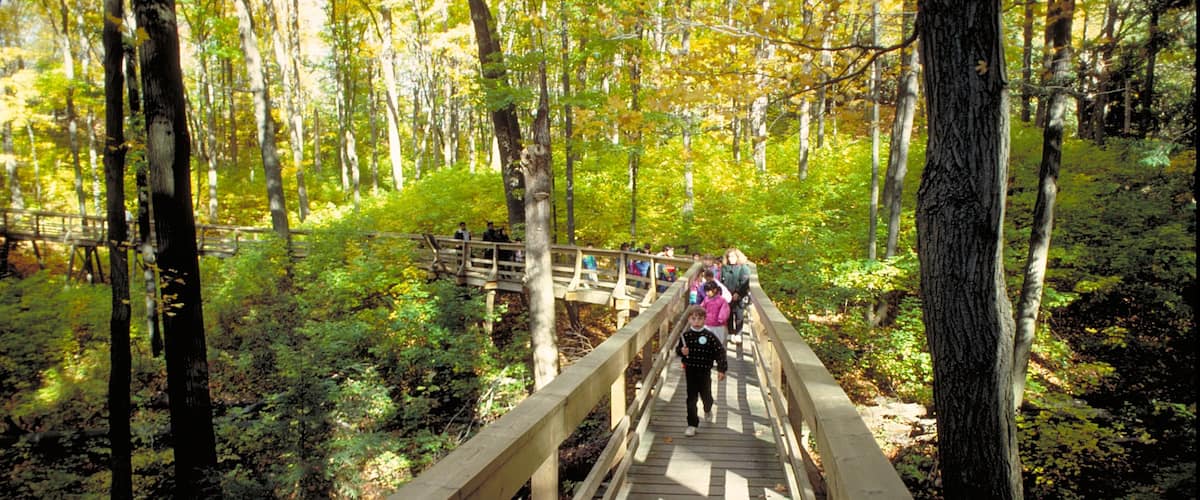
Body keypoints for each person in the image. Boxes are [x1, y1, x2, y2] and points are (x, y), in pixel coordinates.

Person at [676, 305, 727, 437]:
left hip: (704, 372)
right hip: (690, 371)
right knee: (691, 399)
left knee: (706, 396)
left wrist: (721, 369)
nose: (696, 321)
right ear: (689, 320)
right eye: (694, 319)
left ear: (705, 319)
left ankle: (708, 409)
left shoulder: (709, 336)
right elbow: (678, 350)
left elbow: (720, 352)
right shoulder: (685, 336)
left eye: (699, 319)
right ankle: (692, 424)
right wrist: (682, 352)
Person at [720, 248, 750, 344]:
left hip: (739, 296)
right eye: (729, 257)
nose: (730, 259)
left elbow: (745, 282)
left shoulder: (743, 268)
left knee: (739, 315)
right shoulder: (725, 268)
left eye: (733, 256)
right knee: (728, 314)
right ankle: (730, 332)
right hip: (727, 295)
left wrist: (738, 293)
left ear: (737, 257)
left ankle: (738, 333)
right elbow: (721, 281)